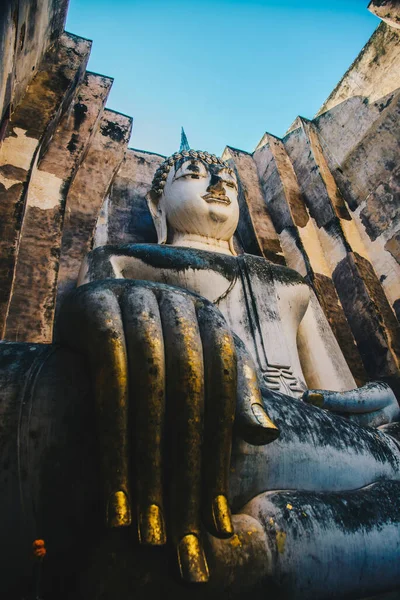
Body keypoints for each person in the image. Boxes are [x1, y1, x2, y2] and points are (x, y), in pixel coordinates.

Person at [57, 148, 400, 595]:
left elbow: (331, 394)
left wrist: (377, 406)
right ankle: (249, 554)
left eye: (230, 183)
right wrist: (104, 307)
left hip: (310, 435)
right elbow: (95, 330)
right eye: (195, 176)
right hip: (193, 417)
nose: (218, 186)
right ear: (157, 206)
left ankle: (251, 554)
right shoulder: (124, 260)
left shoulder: (292, 285)